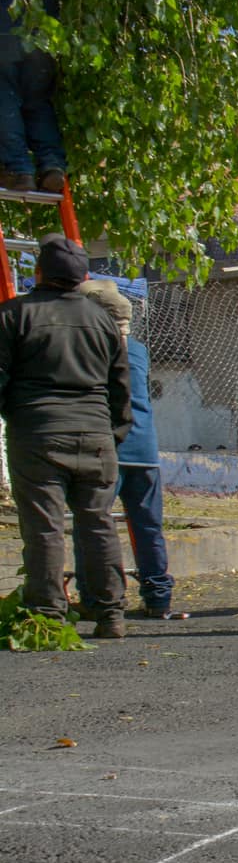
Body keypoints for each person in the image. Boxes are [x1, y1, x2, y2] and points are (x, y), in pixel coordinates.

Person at [0, 235, 129, 637]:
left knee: (44, 526)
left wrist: (16, 415)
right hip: (96, 434)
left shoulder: (13, 315)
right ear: (82, 277)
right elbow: (119, 385)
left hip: (37, 431)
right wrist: (114, 434)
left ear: (39, 272)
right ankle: (110, 614)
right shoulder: (103, 319)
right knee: (97, 524)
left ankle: (47, 616)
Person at [80, 275, 182, 619]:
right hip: (145, 450)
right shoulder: (138, 350)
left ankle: (98, 595)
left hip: (109, 448)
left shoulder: (93, 348)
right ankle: (158, 596)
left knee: (95, 525)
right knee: (147, 526)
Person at [0, 0, 63, 193]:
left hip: (4, 38)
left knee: (4, 99)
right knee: (38, 103)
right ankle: (51, 165)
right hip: (40, 40)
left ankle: (18, 170)